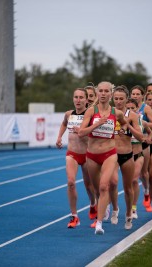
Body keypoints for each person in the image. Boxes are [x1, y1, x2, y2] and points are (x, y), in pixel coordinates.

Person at [78, 81, 127, 235]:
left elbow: (124, 124)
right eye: (101, 91)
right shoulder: (91, 111)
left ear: (111, 94)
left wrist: (122, 131)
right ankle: (103, 207)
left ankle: (99, 223)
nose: (104, 93)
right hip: (92, 155)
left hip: (109, 153)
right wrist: (96, 124)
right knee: (96, 188)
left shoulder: (116, 113)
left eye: (106, 91)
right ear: (97, 93)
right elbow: (81, 132)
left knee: (104, 186)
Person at [56, 88, 97, 228]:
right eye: (76, 97)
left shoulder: (90, 115)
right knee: (71, 182)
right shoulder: (69, 114)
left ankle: (93, 204)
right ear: (73, 99)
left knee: (89, 185)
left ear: (86, 100)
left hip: (87, 155)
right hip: (72, 153)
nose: (78, 100)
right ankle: (74, 216)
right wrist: (59, 137)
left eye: (81, 97)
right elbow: (64, 123)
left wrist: (84, 131)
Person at [110, 86, 144, 230]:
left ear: (126, 98)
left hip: (127, 154)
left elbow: (140, 137)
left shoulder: (132, 115)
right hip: (111, 154)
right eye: (116, 98)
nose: (118, 101)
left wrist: (128, 125)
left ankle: (129, 213)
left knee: (128, 187)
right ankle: (115, 209)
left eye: (121, 99)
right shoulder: (109, 113)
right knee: (112, 182)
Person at [130, 85, 152, 210]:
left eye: (137, 94)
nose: (135, 96)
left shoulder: (145, 108)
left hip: (143, 143)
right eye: (133, 94)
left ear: (142, 95)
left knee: (144, 173)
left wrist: (143, 123)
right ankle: (132, 205)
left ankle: (146, 191)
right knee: (133, 177)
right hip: (130, 143)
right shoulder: (128, 106)